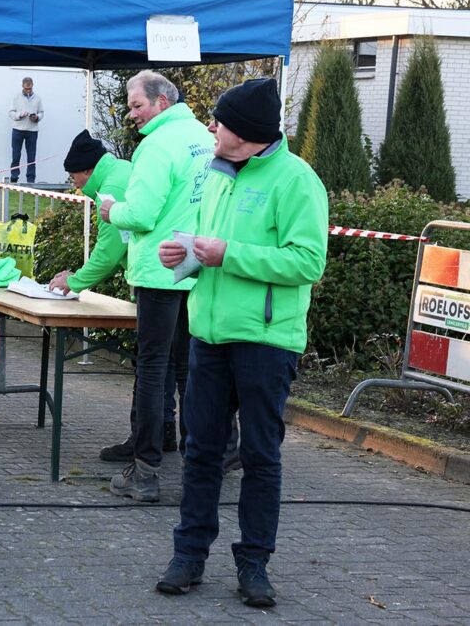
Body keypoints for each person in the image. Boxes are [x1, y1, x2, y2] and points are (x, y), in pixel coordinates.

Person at [154, 78, 328, 608]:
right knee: (201, 451)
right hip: (208, 335)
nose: (211, 127)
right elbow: (208, 246)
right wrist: (182, 258)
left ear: (247, 134)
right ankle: (188, 556)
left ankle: (254, 563)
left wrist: (228, 253)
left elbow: (307, 262)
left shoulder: (298, 182)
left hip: (266, 343)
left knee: (259, 456)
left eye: (220, 121)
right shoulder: (218, 172)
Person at [98, 70, 213, 502]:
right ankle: (203, 457)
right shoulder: (203, 137)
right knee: (189, 370)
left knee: (151, 368)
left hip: (159, 270)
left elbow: (142, 214)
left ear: (162, 102)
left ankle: (144, 469)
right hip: (197, 266)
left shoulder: (157, 145)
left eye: (136, 105)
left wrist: (111, 209)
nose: (132, 115)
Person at [48, 130, 129, 296]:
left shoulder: (109, 191)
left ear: (86, 171)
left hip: (154, 277)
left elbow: (109, 252)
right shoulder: (121, 168)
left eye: (73, 176)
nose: (75, 184)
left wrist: (74, 281)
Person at [8, 76, 43, 183]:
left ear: (32, 85)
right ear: (22, 86)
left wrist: (37, 117)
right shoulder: (16, 97)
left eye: (30, 88)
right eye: (26, 88)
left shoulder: (38, 98)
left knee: (31, 157)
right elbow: (11, 112)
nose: (28, 90)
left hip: (32, 131)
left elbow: (41, 112)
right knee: (16, 155)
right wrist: (19, 115)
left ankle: (31, 179)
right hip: (18, 130)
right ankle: (14, 177)